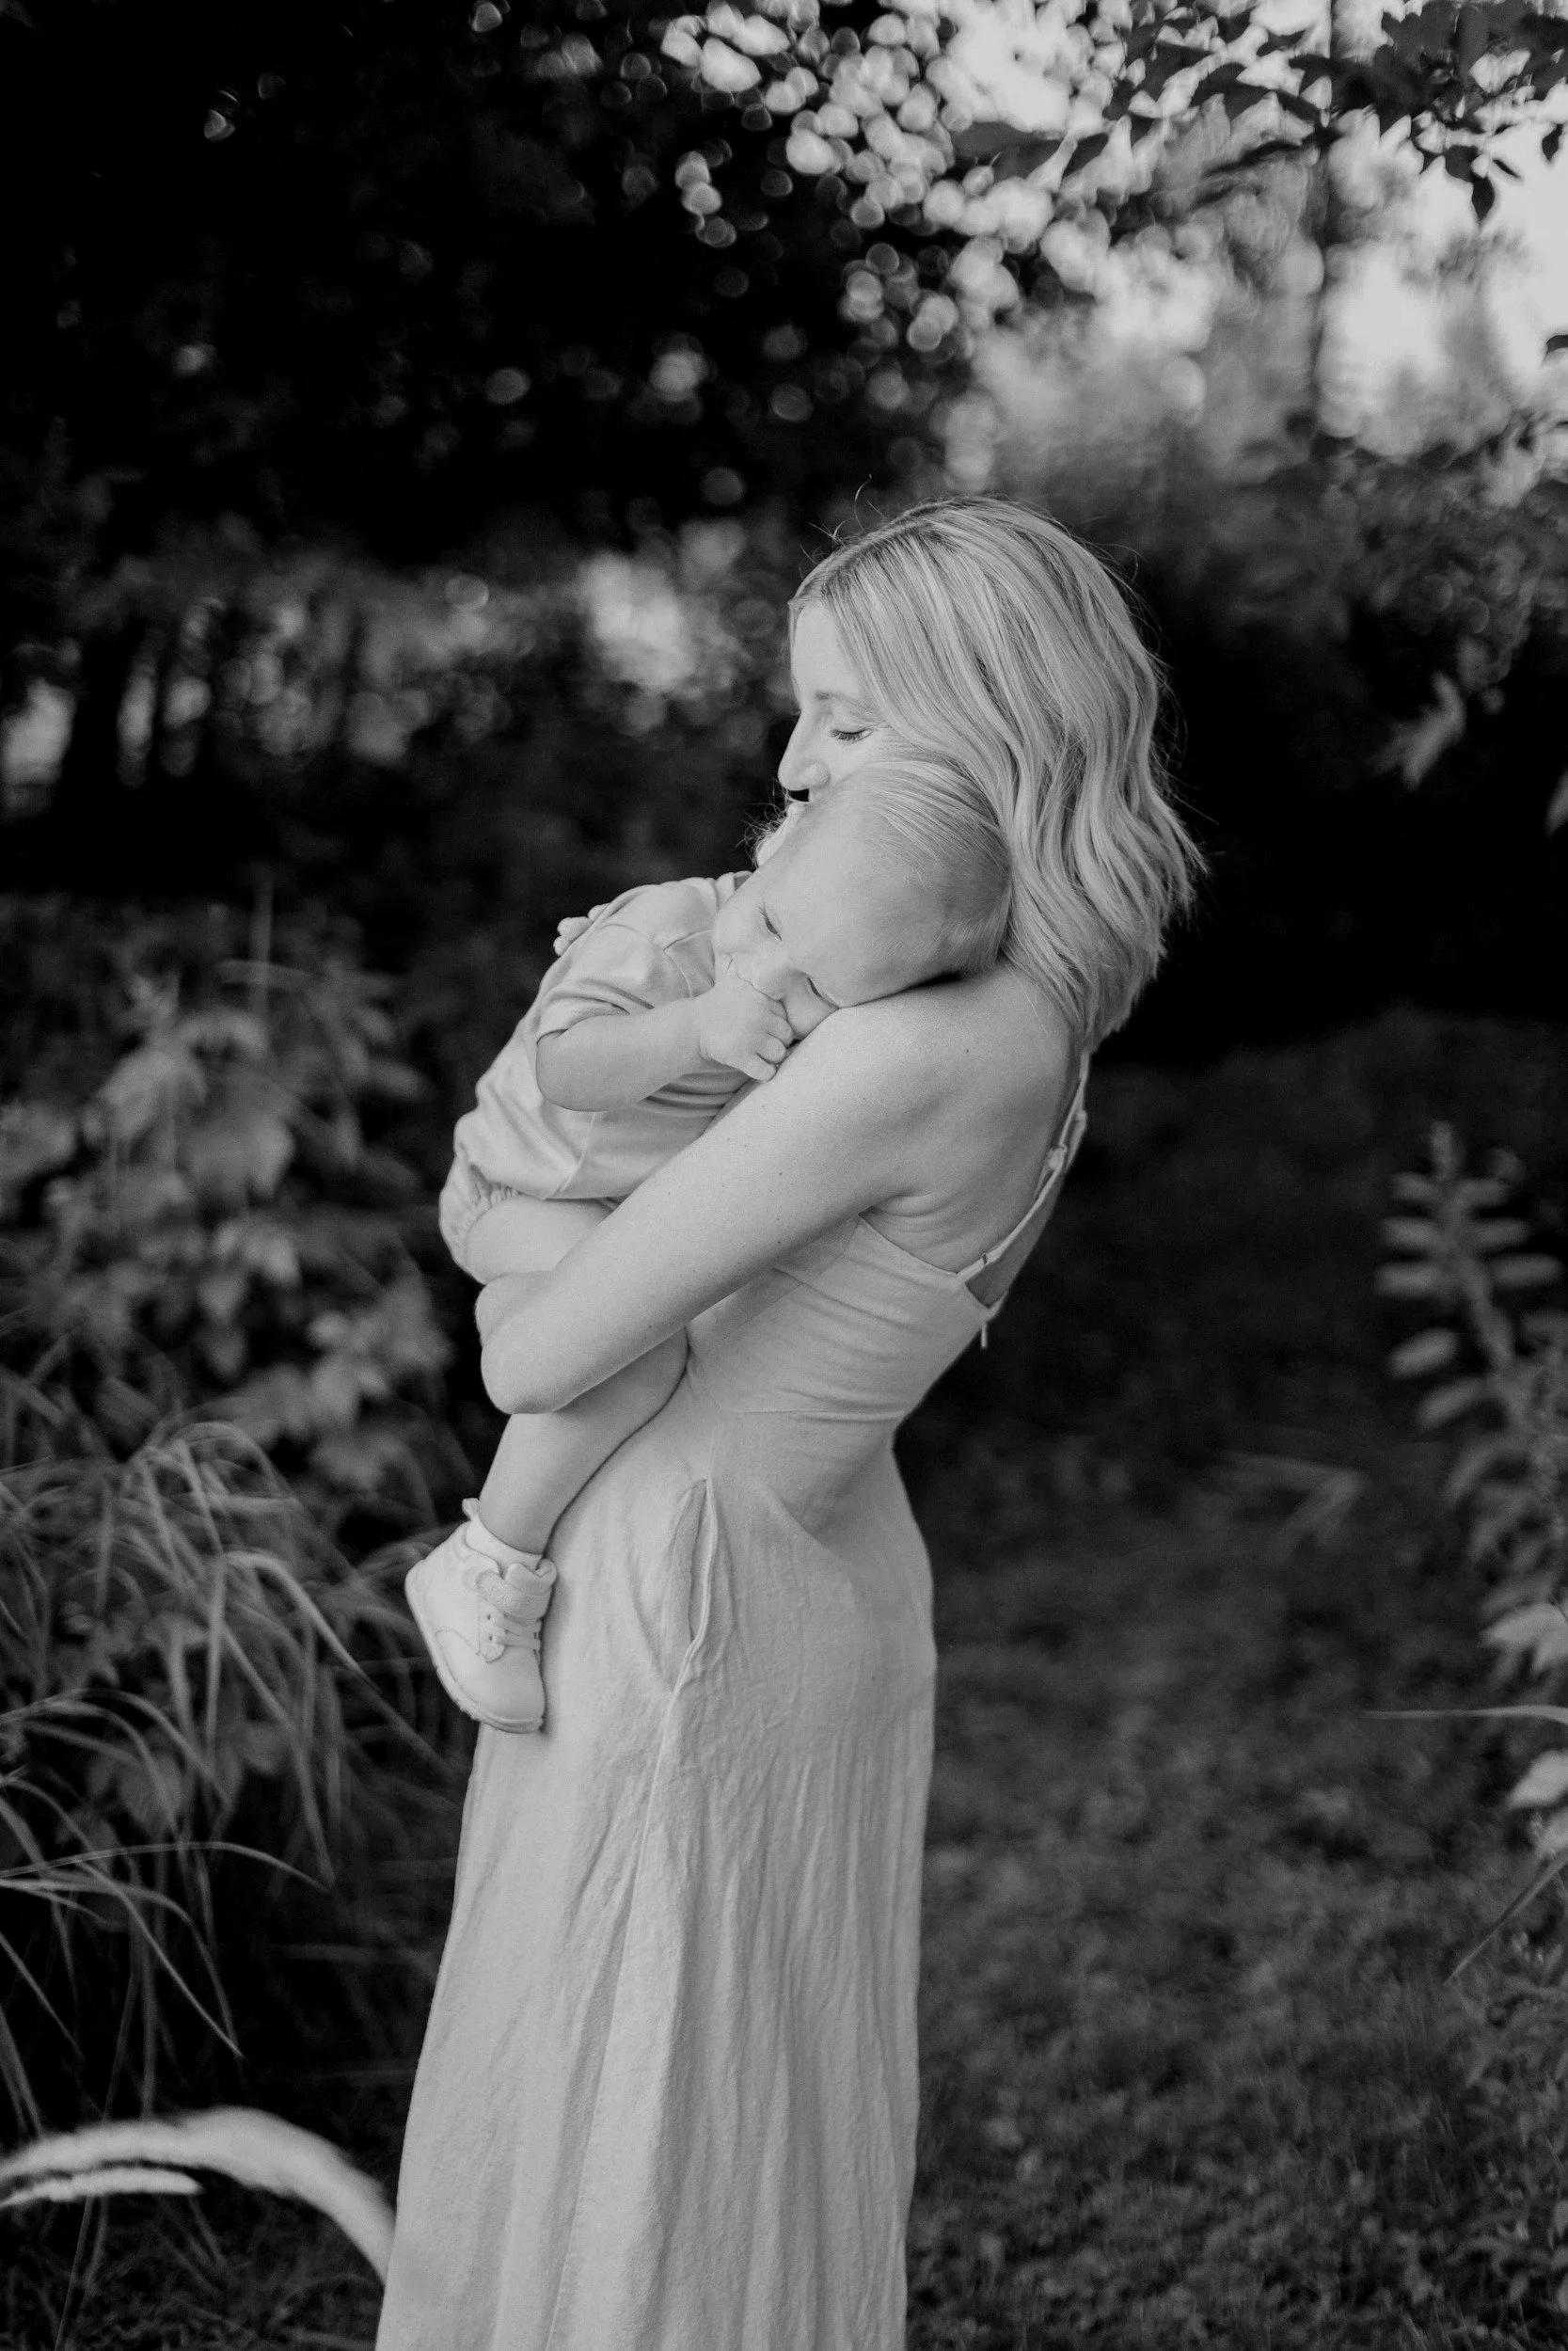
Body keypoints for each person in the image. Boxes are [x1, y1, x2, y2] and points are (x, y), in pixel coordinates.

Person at [374, 496, 1200, 2351]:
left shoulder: (902, 1044)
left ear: (979, 715)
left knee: (630, 2088)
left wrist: (501, 1198)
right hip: (820, 1561)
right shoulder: (1035, 1014)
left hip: (679, 1587)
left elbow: (543, 1357)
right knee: (746, 2093)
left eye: (839, 717)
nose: (787, 761)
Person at [407, 753, 1011, 1733]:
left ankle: (525, 1330)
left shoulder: (830, 967)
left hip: (613, 1208)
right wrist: (691, 1027)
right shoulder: (663, 937)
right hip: (518, 1188)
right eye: (769, 925)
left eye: (815, 986)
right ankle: (487, 1558)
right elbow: (566, 1067)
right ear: (773, 845)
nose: (768, 978)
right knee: (639, 1358)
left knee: (644, 1328)